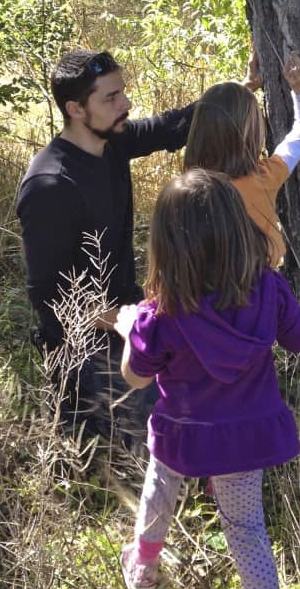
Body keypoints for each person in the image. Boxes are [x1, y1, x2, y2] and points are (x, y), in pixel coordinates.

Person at [114, 169, 300, 589]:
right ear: (238, 228)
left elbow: (135, 379)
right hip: (248, 439)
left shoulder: (161, 313)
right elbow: (299, 341)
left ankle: (143, 570)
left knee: (160, 491)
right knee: (248, 534)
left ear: (166, 245)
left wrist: (128, 326)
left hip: (183, 437)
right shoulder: (269, 288)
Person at [16, 49, 258, 445]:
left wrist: (242, 90)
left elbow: (170, 126)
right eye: (111, 98)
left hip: (133, 318)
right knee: (164, 441)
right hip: (87, 346)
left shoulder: (110, 143)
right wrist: (133, 325)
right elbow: (48, 298)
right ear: (76, 109)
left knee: (209, 402)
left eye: (122, 92)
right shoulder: (50, 186)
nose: (125, 104)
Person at [184, 52, 300, 265]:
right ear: (252, 133)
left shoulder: (187, 190)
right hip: (261, 293)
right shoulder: (264, 177)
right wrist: (299, 86)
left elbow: (220, 116)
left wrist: (244, 88)